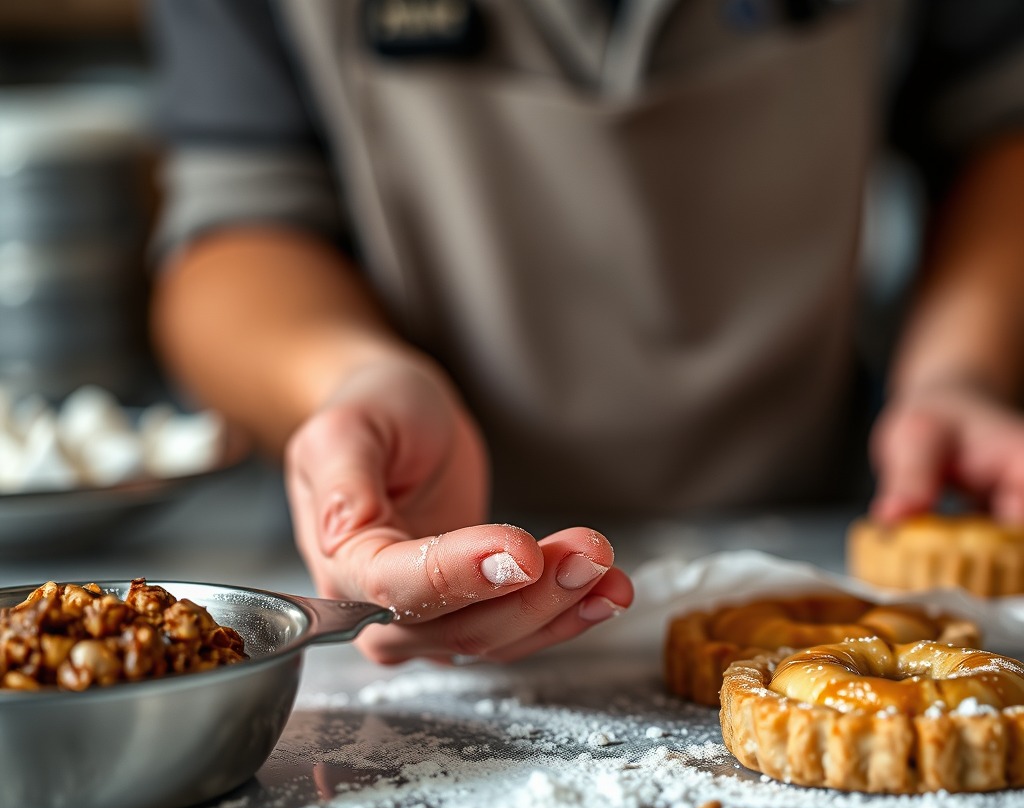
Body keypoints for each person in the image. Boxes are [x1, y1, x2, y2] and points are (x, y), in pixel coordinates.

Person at [146, 0, 1024, 664]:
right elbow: (233, 229)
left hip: (825, 520)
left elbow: (997, 124)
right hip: (411, 525)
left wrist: (959, 371)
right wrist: (350, 380)